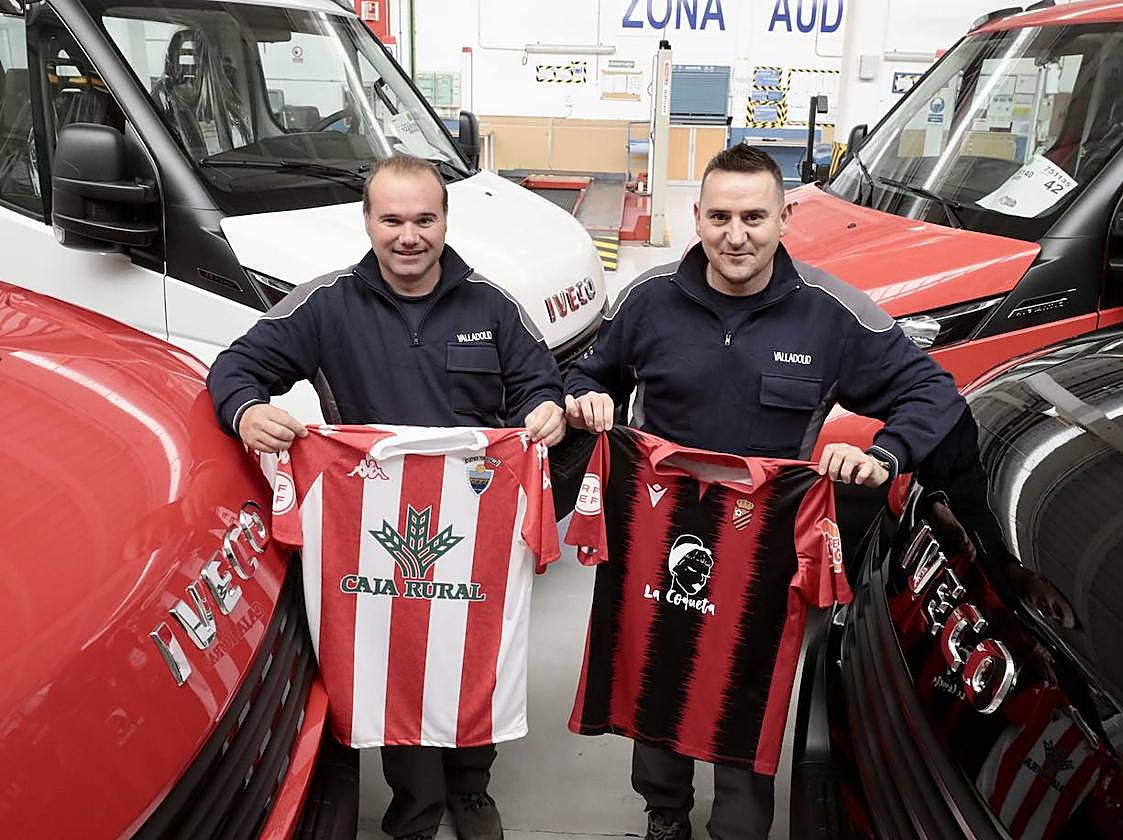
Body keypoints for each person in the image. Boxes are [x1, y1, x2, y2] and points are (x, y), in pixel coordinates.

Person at [564, 143, 967, 840]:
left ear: (784, 219)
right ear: (697, 218)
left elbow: (931, 390)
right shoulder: (648, 299)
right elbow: (587, 373)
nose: (736, 234)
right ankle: (665, 813)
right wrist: (588, 399)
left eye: (754, 216)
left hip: (765, 542)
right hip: (659, 531)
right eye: (719, 216)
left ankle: (739, 828)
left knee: (744, 685)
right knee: (656, 665)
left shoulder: (829, 313)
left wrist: (885, 453)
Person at [207, 153, 565, 840]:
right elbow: (235, 366)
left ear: (445, 221)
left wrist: (545, 409)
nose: (409, 236)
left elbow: (537, 383)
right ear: (367, 221)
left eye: (424, 219)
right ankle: (416, 808)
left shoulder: (491, 304)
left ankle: (471, 787)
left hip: (474, 526)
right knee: (397, 662)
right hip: (373, 529)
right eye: (393, 219)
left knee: (473, 650)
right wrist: (247, 411)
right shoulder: (327, 303)